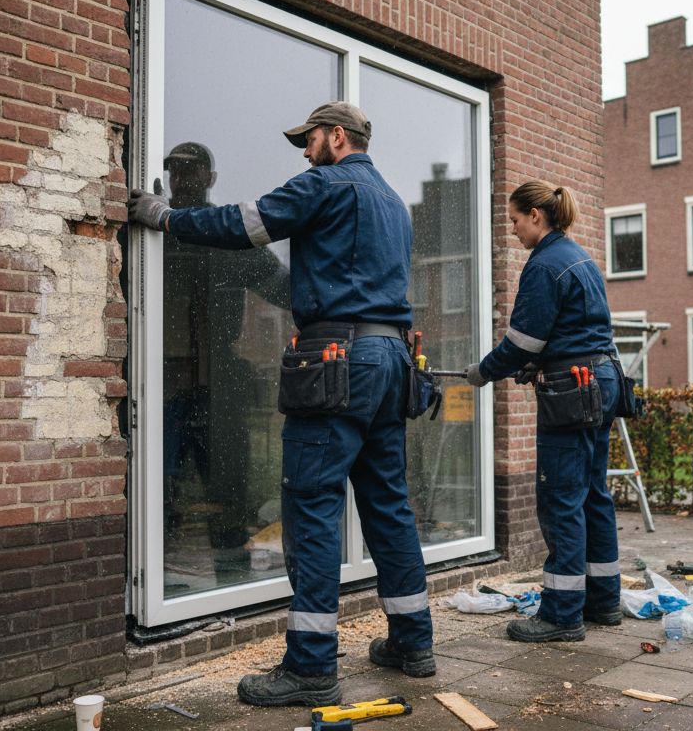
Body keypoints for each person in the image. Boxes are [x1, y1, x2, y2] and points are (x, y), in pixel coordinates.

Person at [128, 103, 435, 707]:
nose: (304, 150)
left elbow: (245, 225)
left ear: (337, 137)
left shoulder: (325, 183)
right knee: (389, 508)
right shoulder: (393, 203)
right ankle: (413, 642)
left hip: (336, 361)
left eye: (310, 139)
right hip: (390, 360)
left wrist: (164, 216)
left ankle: (312, 666)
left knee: (313, 508)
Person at [464, 180, 622, 643]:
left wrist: (483, 372)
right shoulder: (579, 256)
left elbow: (523, 341)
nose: (511, 230)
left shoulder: (543, 265)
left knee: (561, 498)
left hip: (572, 391)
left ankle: (561, 615)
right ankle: (603, 602)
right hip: (602, 380)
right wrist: (537, 362)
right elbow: (573, 330)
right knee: (594, 493)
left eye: (514, 220)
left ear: (536, 215)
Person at [157, 142, 289, 579]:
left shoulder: (227, 238)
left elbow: (282, 288)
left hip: (220, 381)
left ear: (209, 178)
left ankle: (232, 579)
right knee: (160, 483)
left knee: (229, 484)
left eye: (192, 171)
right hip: (160, 378)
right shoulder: (153, 235)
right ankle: (156, 577)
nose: (182, 179)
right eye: (175, 171)